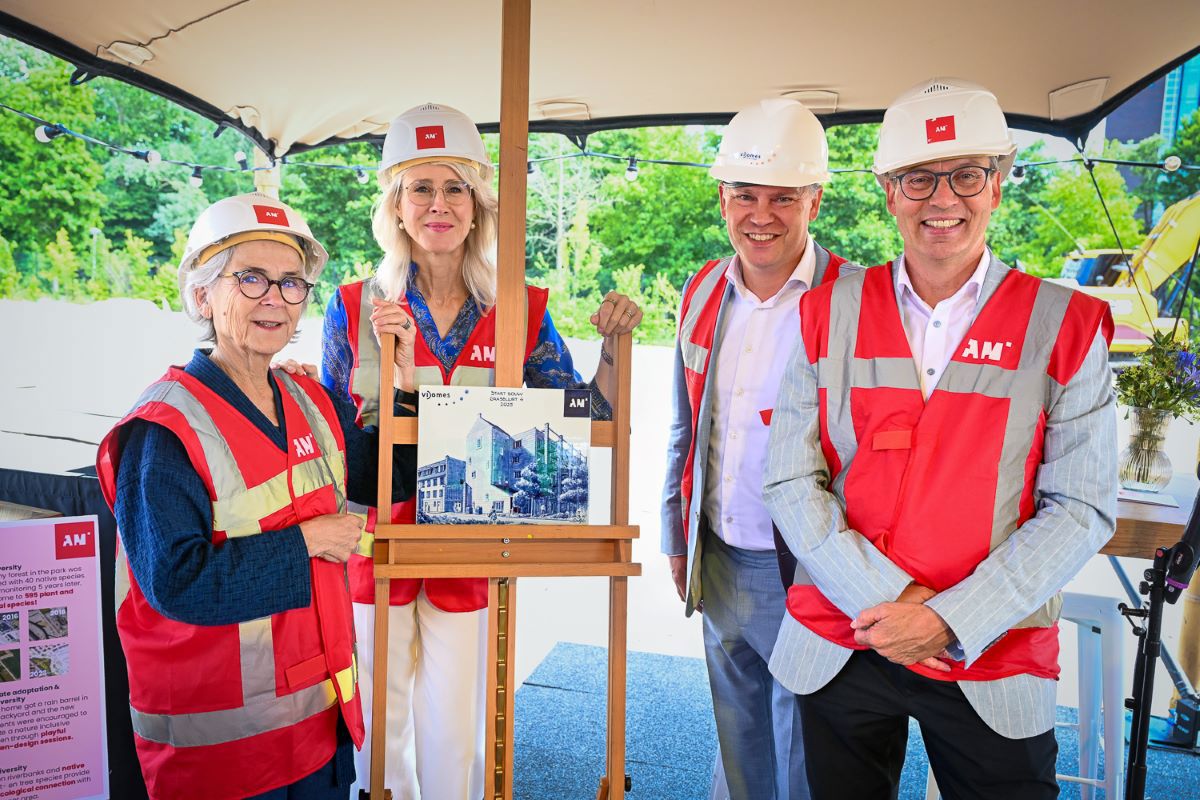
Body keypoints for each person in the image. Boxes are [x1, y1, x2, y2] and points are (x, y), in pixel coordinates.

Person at [763, 78, 1118, 800]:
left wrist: (950, 619)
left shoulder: (1067, 326)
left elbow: (1082, 507)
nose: (944, 199)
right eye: (919, 178)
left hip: (993, 652)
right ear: (888, 190)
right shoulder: (824, 313)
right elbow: (790, 480)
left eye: (967, 175)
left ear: (999, 184)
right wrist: (897, 604)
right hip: (843, 638)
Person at [320, 103, 643, 799]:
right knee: (379, 717)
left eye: (455, 188)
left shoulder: (520, 306)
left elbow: (580, 417)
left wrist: (614, 349)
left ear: (478, 205)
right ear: (396, 207)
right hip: (374, 540)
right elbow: (329, 437)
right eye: (421, 188)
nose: (439, 204)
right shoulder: (350, 306)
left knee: (457, 720)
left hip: (473, 541)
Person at [95, 193, 417, 799]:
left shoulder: (308, 400)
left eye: (292, 283)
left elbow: (388, 478)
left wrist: (407, 387)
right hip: (222, 759)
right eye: (250, 278)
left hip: (319, 730)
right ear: (201, 296)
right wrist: (307, 543)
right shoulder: (163, 431)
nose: (275, 297)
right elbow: (177, 583)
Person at [661, 98, 855, 800]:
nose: (761, 214)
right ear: (723, 199)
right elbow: (686, 426)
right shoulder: (704, 290)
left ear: (815, 200)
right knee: (738, 734)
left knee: (803, 744)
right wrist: (676, 538)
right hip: (720, 555)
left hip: (807, 565)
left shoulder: (854, 299)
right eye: (745, 194)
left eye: (783, 197)